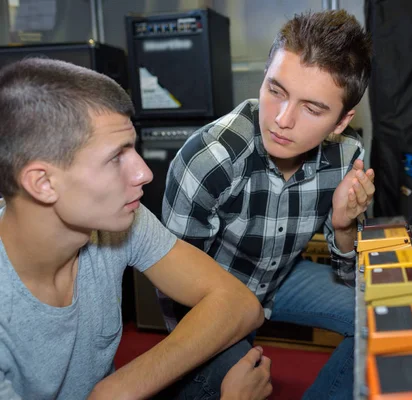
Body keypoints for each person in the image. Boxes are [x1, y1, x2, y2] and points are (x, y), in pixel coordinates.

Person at [0, 58, 272, 400]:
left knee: (229, 360)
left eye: (133, 149)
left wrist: (116, 390)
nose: (144, 173)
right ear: (42, 182)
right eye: (116, 157)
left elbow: (240, 304)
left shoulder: (115, 219)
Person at [160, 9, 374, 400]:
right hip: (208, 300)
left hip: (281, 278)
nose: (282, 119)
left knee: (382, 317)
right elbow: (175, 295)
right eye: (276, 90)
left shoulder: (348, 158)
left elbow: (352, 279)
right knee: (230, 384)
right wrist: (230, 338)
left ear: (342, 122)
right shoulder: (209, 159)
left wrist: (344, 228)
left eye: (312, 108)